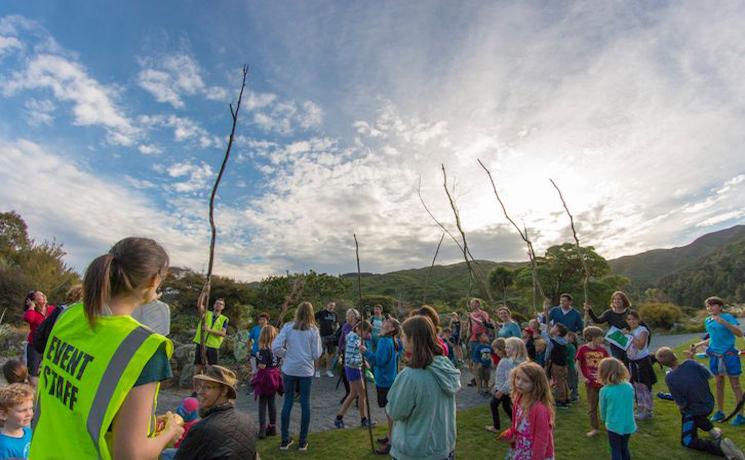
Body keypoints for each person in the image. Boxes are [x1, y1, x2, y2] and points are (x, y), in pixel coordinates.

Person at [29, 237, 183, 459]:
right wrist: (169, 434)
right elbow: (131, 455)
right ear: (153, 280)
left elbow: (83, 397)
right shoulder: (144, 347)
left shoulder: (65, 316)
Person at [386, 315, 461, 460]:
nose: (401, 339)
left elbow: (395, 412)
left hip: (416, 452)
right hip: (444, 448)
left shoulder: (410, 376)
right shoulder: (445, 365)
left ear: (413, 339)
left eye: (403, 336)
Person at [656, 347, 745, 459]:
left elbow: (681, 403)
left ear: (662, 364)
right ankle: (714, 432)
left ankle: (720, 447)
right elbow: (708, 375)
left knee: (687, 440)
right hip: (709, 403)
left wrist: (680, 405)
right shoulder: (690, 363)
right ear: (675, 355)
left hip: (694, 410)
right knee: (697, 416)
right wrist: (692, 362)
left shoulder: (669, 378)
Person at [174, 366, 257, 460]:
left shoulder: (201, 429)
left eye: (207, 387)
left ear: (224, 391)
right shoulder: (249, 422)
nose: (200, 392)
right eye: (200, 386)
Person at [272, 301, 322, 451]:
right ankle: (302, 441)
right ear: (311, 313)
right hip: (305, 370)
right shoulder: (313, 330)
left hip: (290, 369)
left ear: (297, 312)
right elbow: (317, 353)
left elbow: (275, 347)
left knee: (288, 402)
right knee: (305, 403)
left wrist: (287, 354)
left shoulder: (288, 327)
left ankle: (284, 440)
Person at [691, 296, 745, 425]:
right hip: (714, 355)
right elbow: (713, 338)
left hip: (729, 355)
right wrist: (698, 345)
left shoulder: (727, 318)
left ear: (720, 306)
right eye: (708, 306)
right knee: (719, 384)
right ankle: (720, 411)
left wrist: (724, 323)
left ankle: (740, 415)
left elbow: (739, 333)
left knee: (735, 385)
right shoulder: (708, 320)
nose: (710, 308)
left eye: (712, 305)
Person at [499, 361, 555, 460]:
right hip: (520, 446)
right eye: (517, 378)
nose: (519, 383)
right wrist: (511, 432)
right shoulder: (519, 398)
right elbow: (517, 423)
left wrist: (537, 458)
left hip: (535, 452)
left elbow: (541, 439)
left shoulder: (540, 409)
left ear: (536, 384)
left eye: (525, 381)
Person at [362, 317, 401, 455]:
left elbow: (379, 361)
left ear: (391, 329)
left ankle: (391, 442)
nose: (383, 323)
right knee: (388, 411)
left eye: (386, 323)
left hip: (385, 381)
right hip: (389, 379)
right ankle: (390, 436)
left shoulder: (385, 341)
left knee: (390, 412)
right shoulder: (391, 340)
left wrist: (365, 352)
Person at [335, 320, 375, 428]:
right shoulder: (353, 339)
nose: (367, 335)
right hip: (353, 369)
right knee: (362, 394)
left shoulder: (355, 337)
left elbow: (356, 354)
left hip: (352, 368)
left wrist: (364, 359)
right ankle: (364, 420)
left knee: (353, 394)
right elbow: (350, 358)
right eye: (366, 332)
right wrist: (362, 363)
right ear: (359, 330)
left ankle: (339, 417)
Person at [487, 337, 527, 434]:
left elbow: (510, 379)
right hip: (502, 388)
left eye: (496, 349)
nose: (495, 352)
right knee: (506, 406)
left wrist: (501, 391)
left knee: (494, 404)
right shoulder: (507, 360)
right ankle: (516, 424)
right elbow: (502, 376)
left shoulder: (506, 361)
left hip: (503, 389)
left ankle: (497, 427)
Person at [598, 357, 636, 460]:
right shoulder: (629, 386)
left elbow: (603, 409)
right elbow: (631, 401)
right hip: (628, 422)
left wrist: (604, 419)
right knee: (624, 447)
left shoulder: (604, 391)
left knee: (616, 449)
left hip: (613, 424)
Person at [576, 326, 610, 437]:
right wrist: (583, 377)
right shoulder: (583, 349)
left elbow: (609, 365)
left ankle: (609, 425)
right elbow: (577, 364)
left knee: (607, 405)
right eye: (600, 336)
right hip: (590, 383)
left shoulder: (603, 350)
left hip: (604, 383)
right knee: (592, 407)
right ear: (593, 337)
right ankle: (595, 428)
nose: (602, 339)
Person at [252, 324, 282, 439]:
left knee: (262, 403)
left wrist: (257, 362)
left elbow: (262, 366)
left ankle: (262, 430)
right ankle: (273, 427)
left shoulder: (263, 350)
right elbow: (279, 363)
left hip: (265, 378)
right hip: (275, 376)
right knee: (272, 402)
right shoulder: (277, 349)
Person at [584, 291, 632, 363]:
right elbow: (598, 320)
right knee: (617, 363)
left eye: (619, 299)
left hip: (628, 342)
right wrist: (590, 311)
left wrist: (629, 330)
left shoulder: (629, 312)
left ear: (624, 301)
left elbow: (637, 324)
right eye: (614, 299)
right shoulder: (609, 313)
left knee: (628, 362)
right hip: (615, 342)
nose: (616, 301)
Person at [625, 310, 656, 420]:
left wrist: (630, 336)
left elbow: (641, 346)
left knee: (645, 386)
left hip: (642, 361)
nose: (631, 321)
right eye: (629, 319)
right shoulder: (629, 331)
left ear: (638, 319)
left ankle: (648, 411)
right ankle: (640, 407)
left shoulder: (643, 330)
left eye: (634, 319)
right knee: (636, 385)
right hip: (632, 361)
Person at [22, 290, 55, 386]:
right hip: (35, 346)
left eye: (43, 293)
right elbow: (29, 319)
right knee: (32, 372)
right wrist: (31, 306)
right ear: (34, 301)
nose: (44, 295)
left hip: (50, 345)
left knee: (51, 370)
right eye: (40, 295)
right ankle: (31, 394)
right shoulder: (32, 312)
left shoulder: (52, 309)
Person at [193, 298, 229, 376]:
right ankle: (196, 384)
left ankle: (210, 384)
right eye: (217, 303)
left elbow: (223, 333)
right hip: (201, 343)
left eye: (221, 304)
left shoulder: (224, 319)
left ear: (223, 307)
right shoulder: (206, 314)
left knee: (212, 366)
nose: (218, 305)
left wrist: (209, 330)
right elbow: (199, 305)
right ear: (214, 305)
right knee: (198, 365)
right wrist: (203, 292)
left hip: (213, 345)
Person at [0, 383, 34, 460]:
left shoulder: (28, 432)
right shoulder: (3, 446)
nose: (29, 413)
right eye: (22, 410)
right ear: (3, 415)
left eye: (31, 408)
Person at [466, 298, 491, 387]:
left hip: (483, 339)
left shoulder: (483, 313)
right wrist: (467, 338)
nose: (471, 305)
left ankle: (485, 380)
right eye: (470, 304)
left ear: (478, 304)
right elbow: (470, 327)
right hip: (473, 339)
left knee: (484, 359)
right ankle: (476, 379)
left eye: (473, 303)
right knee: (475, 360)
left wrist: (472, 317)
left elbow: (485, 323)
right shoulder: (471, 314)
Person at [337, 308, 360, 404]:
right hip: (346, 352)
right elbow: (342, 338)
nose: (347, 317)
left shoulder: (359, 325)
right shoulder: (346, 326)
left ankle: (358, 395)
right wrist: (340, 349)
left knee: (357, 375)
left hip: (357, 352)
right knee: (345, 374)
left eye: (349, 315)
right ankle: (349, 392)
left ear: (354, 316)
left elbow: (368, 336)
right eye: (347, 315)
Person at [548, 322, 570, 408]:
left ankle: (561, 401)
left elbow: (548, 353)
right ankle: (567, 397)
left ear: (558, 333)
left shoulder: (553, 342)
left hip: (556, 364)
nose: (552, 328)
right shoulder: (564, 341)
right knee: (563, 381)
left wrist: (546, 361)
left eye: (554, 327)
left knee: (558, 382)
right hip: (564, 364)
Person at [315, 301, 339, 378]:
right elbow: (312, 318)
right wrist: (315, 327)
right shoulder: (322, 312)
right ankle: (317, 371)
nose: (331, 306)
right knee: (320, 354)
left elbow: (337, 323)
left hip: (331, 336)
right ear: (327, 305)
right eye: (330, 305)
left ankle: (328, 370)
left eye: (333, 305)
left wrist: (337, 327)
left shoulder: (335, 314)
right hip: (322, 336)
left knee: (330, 354)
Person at [248, 313, 269, 381]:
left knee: (264, 371)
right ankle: (254, 386)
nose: (262, 321)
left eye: (264, 320)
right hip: (254, 352)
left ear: (267, 321)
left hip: (265, 354)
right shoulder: (255, 329)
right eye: (260, 319)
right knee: (254, 371)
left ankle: (263, 386)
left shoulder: (269, 329)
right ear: (258, 321)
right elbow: (249, 340)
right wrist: (249, 349)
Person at [566, 331, 579, 402]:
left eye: (570, 337)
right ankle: (569, 394)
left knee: (573, 381)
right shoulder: (565, 346)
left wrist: (564, 358)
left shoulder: (572, 347)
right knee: (568, 381)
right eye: (567, 337)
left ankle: (574, 395)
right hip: (567, 366)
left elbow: (571, 357)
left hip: (571, 366)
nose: (568, 338)